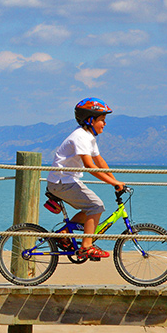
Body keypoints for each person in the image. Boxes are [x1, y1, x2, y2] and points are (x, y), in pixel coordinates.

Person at [45, 97, 125, 260]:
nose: (105, 123)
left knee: (92, 207)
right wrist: (112, 182)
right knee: (96, 207)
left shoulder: (89, 137)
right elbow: (90, 166)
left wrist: (116, 181)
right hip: (61, 182)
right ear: (90, 120)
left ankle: (64, 234)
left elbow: (100, 161)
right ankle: (86, 246)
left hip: (67, 181)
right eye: (102, 120)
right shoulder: (80, 137)